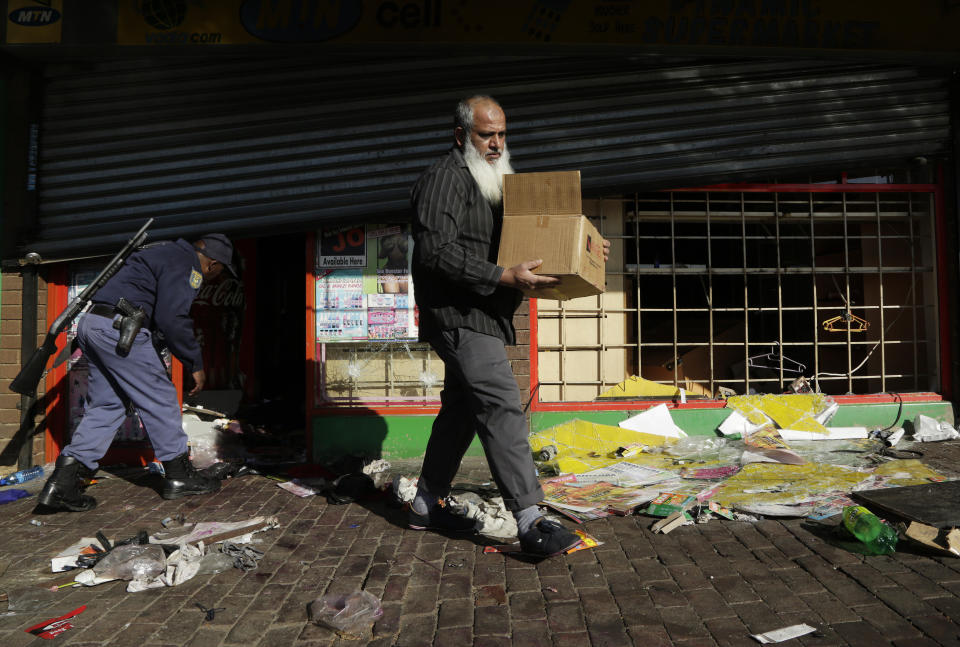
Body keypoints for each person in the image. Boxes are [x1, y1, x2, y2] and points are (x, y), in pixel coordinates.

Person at [409, 95, 610, 557]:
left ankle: (424, 503)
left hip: (486, 315)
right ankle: (529, 517)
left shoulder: (496, 183)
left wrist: (585, 250)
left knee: (462, 410)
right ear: (462, 135)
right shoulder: (444, 178)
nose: (497, 143)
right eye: (486, 135)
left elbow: (537, 235)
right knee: (501, 402)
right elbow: (435, 250)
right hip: (459, 315)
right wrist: (502, 276)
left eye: (501, 134)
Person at [37, 234, 237, 512]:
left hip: (94, 323)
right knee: (161, 397)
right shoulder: (186, 264)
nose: (213, 279)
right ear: (213, 265)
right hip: (121, 329)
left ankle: (62, 483)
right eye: (219, 273)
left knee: (108, 405)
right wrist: (195, 363)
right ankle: (179, 477)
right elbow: (172, 318)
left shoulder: (164, 252)